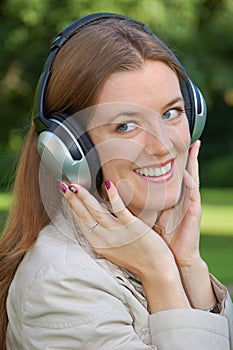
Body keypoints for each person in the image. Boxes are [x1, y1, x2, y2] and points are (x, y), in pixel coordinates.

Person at [0, 12, 232, 350]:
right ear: (73, 149)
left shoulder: (161, 244)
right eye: (126, 126)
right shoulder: (61, 286)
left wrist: (188, 265)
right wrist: (161, 274)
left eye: (171, 113)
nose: (163, 146)